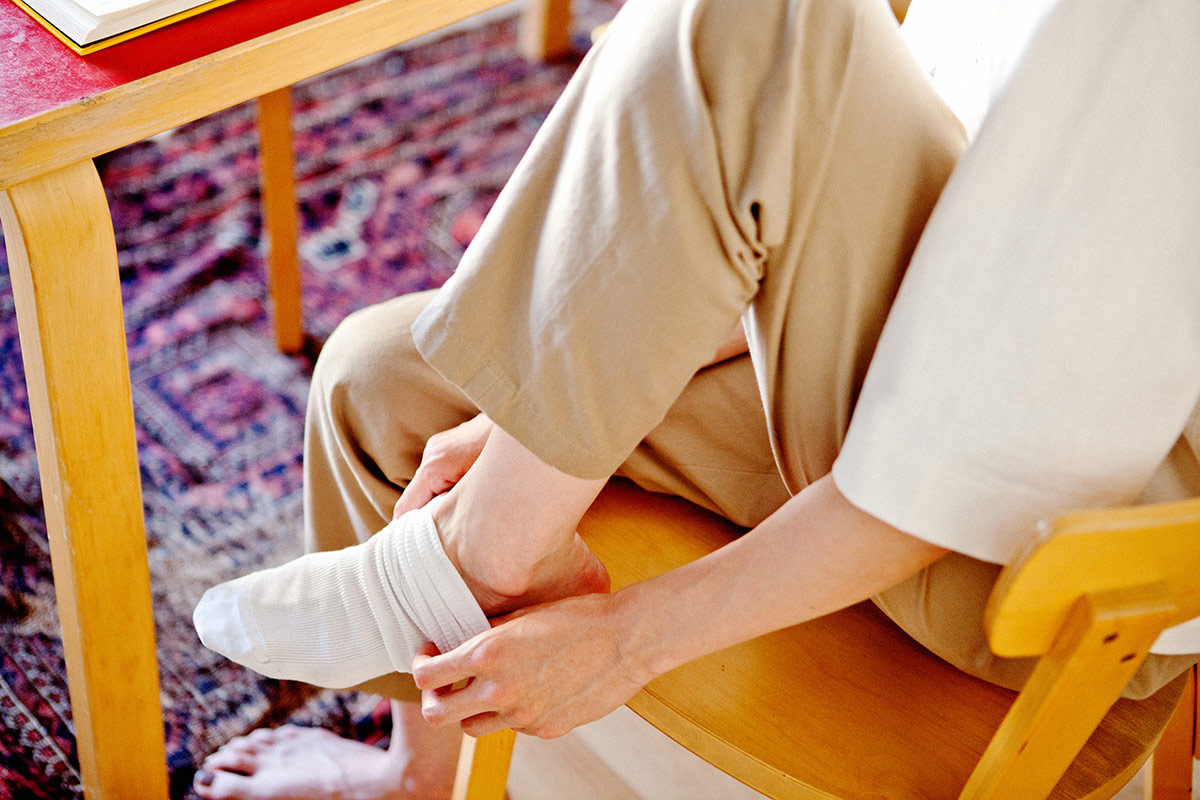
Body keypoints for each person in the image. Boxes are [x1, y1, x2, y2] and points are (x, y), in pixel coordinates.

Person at [191, 0, 1200, 796]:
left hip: (1040, 557)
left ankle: (473, 556)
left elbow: (975, 453)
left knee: (760, 17)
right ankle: (420, 769)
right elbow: (820, 173)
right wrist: (527, 413)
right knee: (382, 380)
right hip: (927, 353)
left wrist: (626, 640)